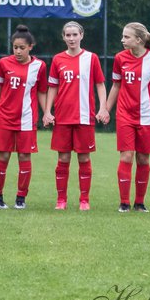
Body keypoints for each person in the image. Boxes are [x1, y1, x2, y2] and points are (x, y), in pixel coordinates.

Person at [101, 21, 150, 214]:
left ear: (139, 39)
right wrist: (106, 109)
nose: (122, 40)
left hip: (148, 116)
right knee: (127, 155)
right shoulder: (120, 58)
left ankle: (140, 202)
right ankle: (124, 202)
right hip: (125, 115)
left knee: (143, 159)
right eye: (123, 36)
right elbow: (116, 86)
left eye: (126, 37)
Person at [43, 21, 108, 211]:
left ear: (81, 35)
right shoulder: (57, 60)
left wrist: (103, 108)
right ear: (63, 37)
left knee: (84, 159)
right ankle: (61, 200)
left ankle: (84, 200)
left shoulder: (91, 58)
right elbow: (52, 87)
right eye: (68, 35)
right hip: (63, 117)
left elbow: (100, 85)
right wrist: (47, 112)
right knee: (63, 159)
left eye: (74, 35)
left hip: (84, 117)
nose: (71, 38)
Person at [0, 25, 47, 209]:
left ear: (31, 46)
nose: (18, 51)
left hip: (27, 119)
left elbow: (42, 92)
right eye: (15, 47)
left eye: (22, 47)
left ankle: (21, 199)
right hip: (5, 118)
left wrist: (47, 113)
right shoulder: (4, 63)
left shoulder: (40, 66)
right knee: (3, 156)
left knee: (24, 157)